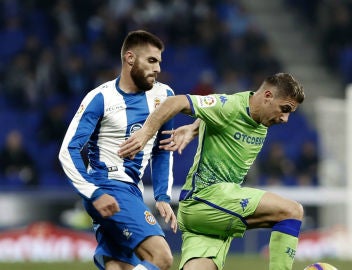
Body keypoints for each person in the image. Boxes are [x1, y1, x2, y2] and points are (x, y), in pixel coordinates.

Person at [119, 72, 305, 270]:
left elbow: (214, 117)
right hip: (205, 198)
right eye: (284, 109)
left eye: (289, 113)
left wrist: (193, 127)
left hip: (212, 214)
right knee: (292, 211)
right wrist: (144, 134)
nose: (285, 118)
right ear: (268, 96)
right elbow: (174, 102)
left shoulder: (260, 116)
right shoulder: (230, 106)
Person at [59, 30, 178, 270]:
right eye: (151, 61)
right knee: (162, 258)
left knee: (119, 267)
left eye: (159, 62)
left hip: (131, 190)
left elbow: (163, 149)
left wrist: (162, 195)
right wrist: (94, 192)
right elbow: (68, 150)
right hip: (108, 188)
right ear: (130, 58)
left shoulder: (164, 96)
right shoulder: (100, 98)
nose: (157, 68)